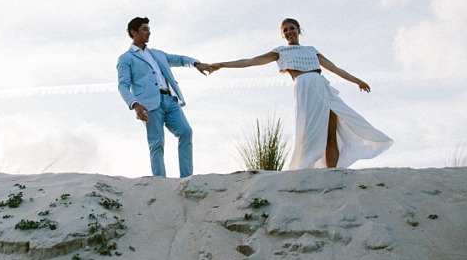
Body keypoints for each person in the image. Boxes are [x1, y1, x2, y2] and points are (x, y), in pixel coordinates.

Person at [207, 18, 391, 169]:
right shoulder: (280, 52)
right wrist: (222, 64)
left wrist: (357, 81)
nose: (289, 32)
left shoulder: (311, 50)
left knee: (331, 132)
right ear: (282, 34)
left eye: (292, 28)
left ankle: (333, 172)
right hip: (305, 89)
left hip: (322, 87)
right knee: (310, 132)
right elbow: (252, 61)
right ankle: (305, 168)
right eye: (285, 30)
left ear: (299, 30)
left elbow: (334, 68)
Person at [117, 17, 210, 178]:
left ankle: (186, 178)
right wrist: (135, 104)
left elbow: (180, 59)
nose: (149, 32)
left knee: (186, 131)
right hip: (148, 104)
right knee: (157, 143)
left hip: (170, 100)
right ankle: (159, 182)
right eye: (145, 29)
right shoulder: (126, 58)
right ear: (134, 32)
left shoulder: (157, 54)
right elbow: (123, 85)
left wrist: (196, 64)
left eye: (149, 29)